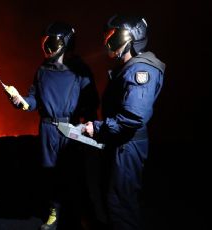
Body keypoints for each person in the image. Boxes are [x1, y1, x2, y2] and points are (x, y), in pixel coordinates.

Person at [9, 21, 99, 230]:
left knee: (75, 174)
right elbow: (33, 100)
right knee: (50, 174)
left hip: (71, 128)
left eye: (52, 41)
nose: (47, 47)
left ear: (65, 43)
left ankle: (84, 216)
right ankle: (54, 213)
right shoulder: (42, 70)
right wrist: (21, 101)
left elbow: (91, 101)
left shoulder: (79, 70)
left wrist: (88, 125)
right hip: (48, 129)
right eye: (45, 42)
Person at [82, 14, 166, 230]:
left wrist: (98, 127)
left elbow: (134, 117)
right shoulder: (130, 67)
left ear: (131, 39)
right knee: (112, 200)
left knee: (120, 205)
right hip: (119, 144)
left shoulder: (141, 69)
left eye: (114, 38)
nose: (108, 44)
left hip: (126, 147)